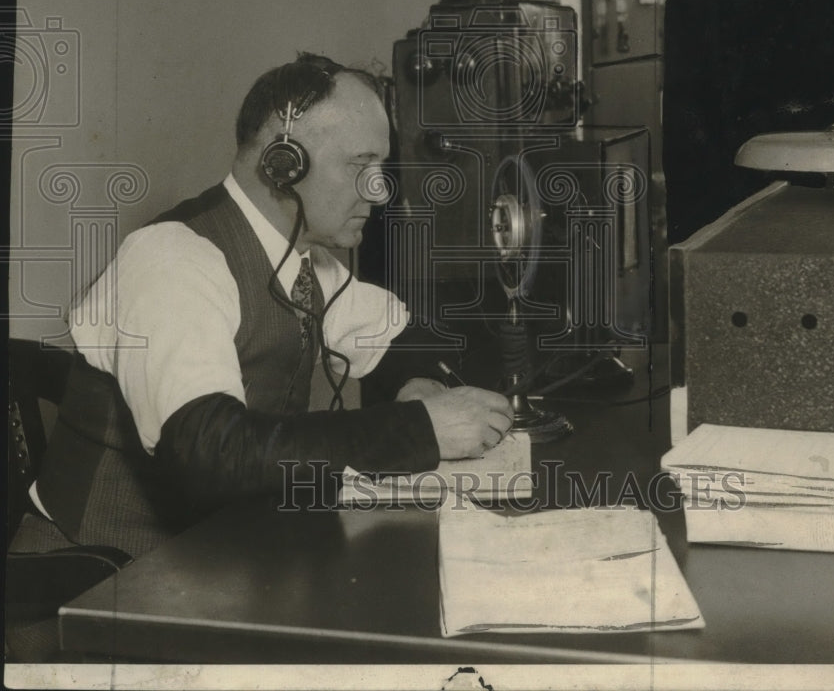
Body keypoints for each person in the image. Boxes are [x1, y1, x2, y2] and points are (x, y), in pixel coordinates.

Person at [9, 53, 513, 601]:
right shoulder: (173, 259)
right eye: (359, 164)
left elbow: (402, 339)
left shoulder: (306, 262)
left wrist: (414, 382)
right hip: (97, 590)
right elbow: (212, 452)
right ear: (282, 161)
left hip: (215, 568)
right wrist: (419, 428)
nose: (377, 190)